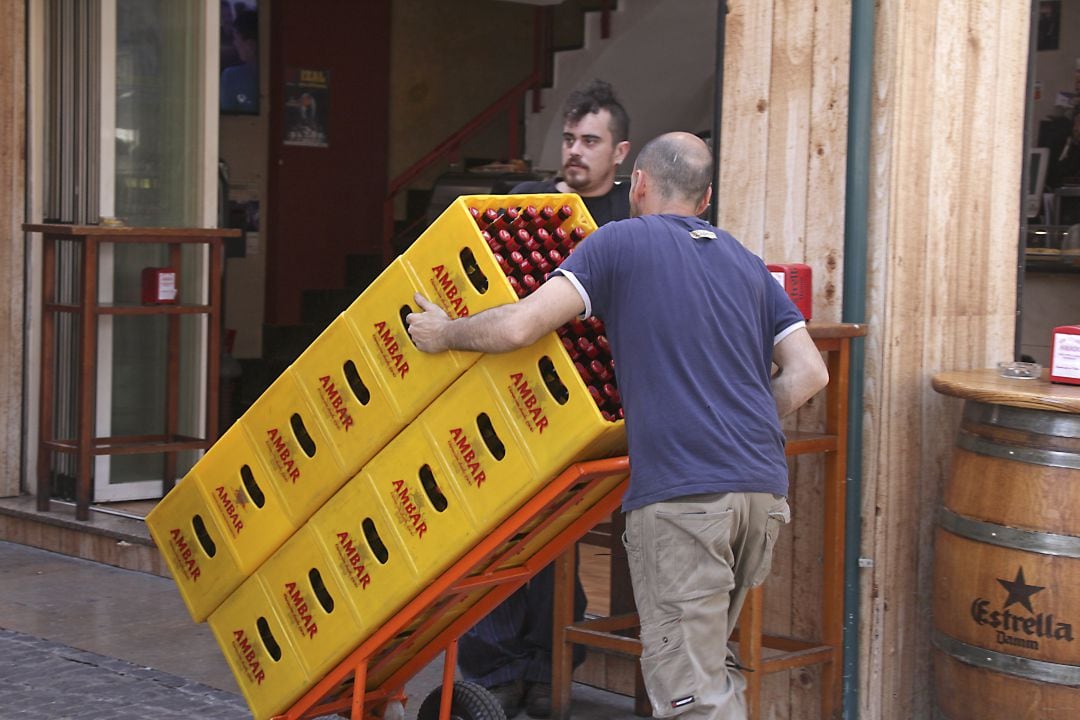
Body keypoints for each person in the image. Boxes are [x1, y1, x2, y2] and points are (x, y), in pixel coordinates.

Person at [407, 131, 829, 719]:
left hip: (688, 498)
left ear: (639, 183)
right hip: (761, 494)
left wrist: (444, 332)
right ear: (705, 200)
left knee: (693, 699)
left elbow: (517, 329)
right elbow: (810, 373)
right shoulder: (746, 262)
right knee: (710, 670)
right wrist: (737, 418)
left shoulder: (620, 243)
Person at [456, 79, 633, 719]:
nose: (576, 151)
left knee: (557, 540)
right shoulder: (525, 204)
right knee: (500, 537)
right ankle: (497, 669)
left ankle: (548, 663)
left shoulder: (627, 225)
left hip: (588, 406)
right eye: (569, 138)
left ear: (621, 153)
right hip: (510, 397)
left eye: (591, 141)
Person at [220, 6, 258, 113]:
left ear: (250, 44)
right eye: (224, 16)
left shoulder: (230, 76)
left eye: (236, 39)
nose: (234, 43)